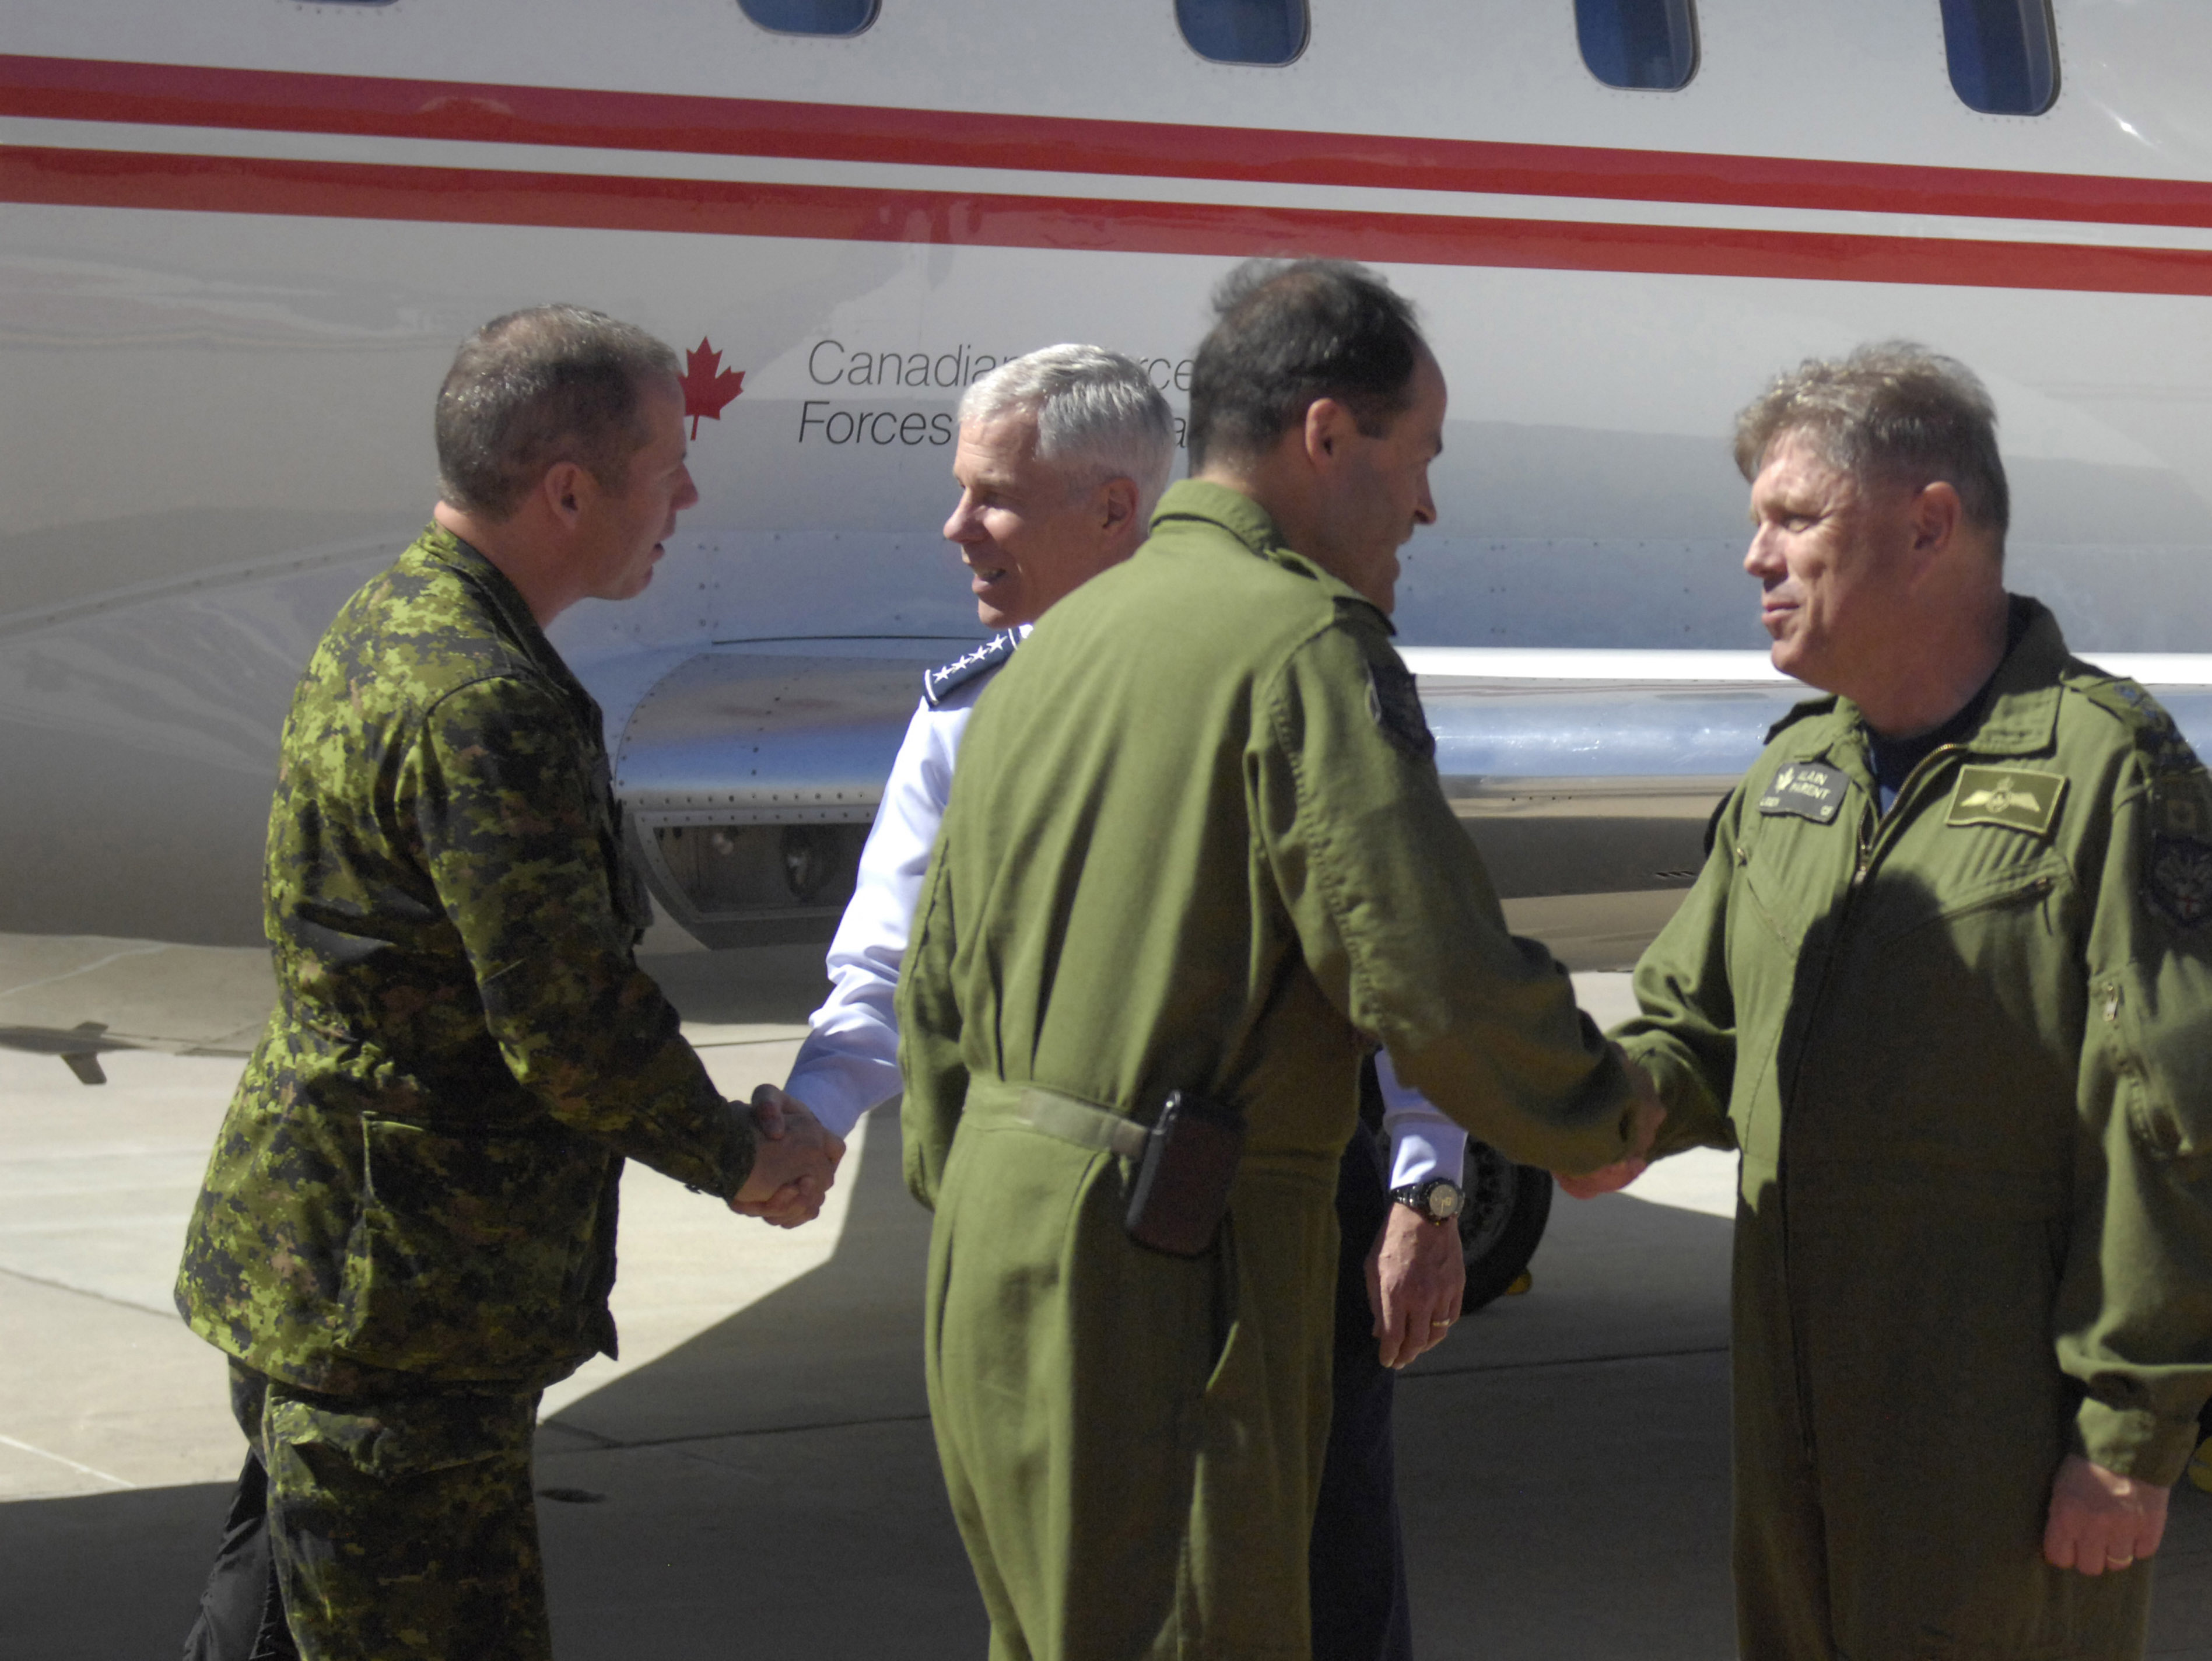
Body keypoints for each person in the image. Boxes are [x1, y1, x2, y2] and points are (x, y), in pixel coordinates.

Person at [896, 259, 1665, 1661]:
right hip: (1166, 1276)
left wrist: (999, 1214)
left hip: (996, 1265)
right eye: (1417, 453)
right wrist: (1599, 1113)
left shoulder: (1051, 651)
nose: (1425, 503)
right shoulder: (1301, 645)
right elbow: (1424, 974)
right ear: (1327, 434)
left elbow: (934, 993)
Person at [1581, 342, 2212, 1659]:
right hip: (1796, 1445)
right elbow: (1691, 1029)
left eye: (1792, 519)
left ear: (1927, 525)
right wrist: (1579, 1111)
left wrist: (2126, 1436)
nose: (1755, 558)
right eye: (1756, 526)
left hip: (1995, 1453)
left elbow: (2182, 1122)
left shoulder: (2108, 773)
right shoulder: (1796, 777)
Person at [173, 305, 842, 1661]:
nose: (688, 496)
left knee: (270, 1626)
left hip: (339, 1267)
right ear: (570, 490)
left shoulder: (398, 620)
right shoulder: (483, 698)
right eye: (668, 463)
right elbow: (566, 1026)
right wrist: (740, 1157)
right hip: (404, 1303)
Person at [780, 343, 1465, 1660]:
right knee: (1088, 1582)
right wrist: (812, 1115)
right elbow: (885, 969)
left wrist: (1425, 1178)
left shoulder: (1282, 665)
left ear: (1111, 509)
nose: (955, 528)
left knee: (1323, 1574)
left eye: (991, 496)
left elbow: (1395, 947)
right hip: (1079, 1239)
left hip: (1268, 1213)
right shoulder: (967, 714)